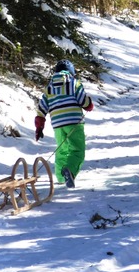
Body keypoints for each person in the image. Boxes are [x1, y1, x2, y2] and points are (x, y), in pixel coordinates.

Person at [34, 60, 94, 188]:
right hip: (74, 122)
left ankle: (61, 178)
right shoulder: (74, 83)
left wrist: (39, 126)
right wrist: (89, 105)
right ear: (71, 72)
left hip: (57, 124)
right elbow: (84, 101)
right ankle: (70, 171)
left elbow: (41, 108)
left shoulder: (49, 88)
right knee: (77, 149)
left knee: (61, 149)